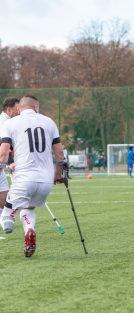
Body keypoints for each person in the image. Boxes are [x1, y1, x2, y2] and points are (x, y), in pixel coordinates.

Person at [0, 95, 65, 257]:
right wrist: (58, 174)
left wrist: (1, 167)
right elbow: (59, 153)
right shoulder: (49, 122)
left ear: (19, 109)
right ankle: (29, 230)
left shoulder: (10, 123)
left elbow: (3, 153)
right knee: (28, 207)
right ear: (36, 107)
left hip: (23, 179)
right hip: (45, 180)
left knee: (6, 219)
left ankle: (10, 216)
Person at [0, 97, 19, 217]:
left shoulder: (7, 121)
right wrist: (11, 162)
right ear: (9, 110)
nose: (19, 111)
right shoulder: (4, 122)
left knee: (3, 196)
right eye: (17, 109)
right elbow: (4, 145)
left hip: (2, 163)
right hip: (1, 162)